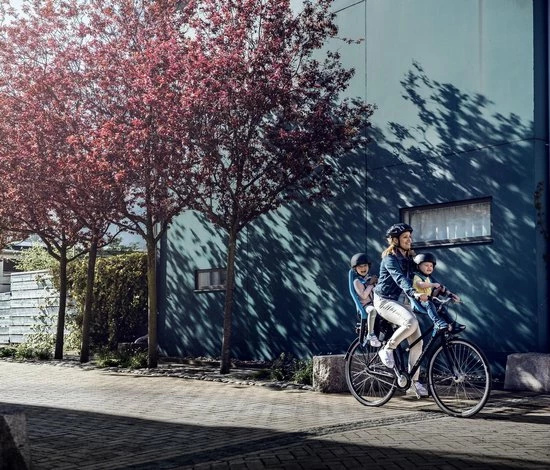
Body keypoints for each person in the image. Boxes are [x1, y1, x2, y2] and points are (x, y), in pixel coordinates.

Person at [373, 223, 429, 398]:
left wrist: (441, 289)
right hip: (384, 300)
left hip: (400, 302)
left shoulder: (409, 259)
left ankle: (413, 383)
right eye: (405, 237)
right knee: (410, 322)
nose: (409, 240)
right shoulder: (389, 259)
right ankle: (387, 349)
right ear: (395, 240)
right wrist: (413, 292)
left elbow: (422, 277)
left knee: (418, 342)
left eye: (410, 237)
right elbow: (399, 279)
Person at [412, 252, 465, 333]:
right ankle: (439, 323)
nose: (429, 267)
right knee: (429, 304)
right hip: (419, 301)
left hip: (428, 299)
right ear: (418, 266)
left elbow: (433, 292)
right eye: (426, 265)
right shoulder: (417, 276)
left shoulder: (428, 278)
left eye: (431, 266)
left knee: (441, 307)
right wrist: (432, 284)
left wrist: (440, 290)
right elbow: (420, 285)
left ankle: (452, 324)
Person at [348, 253, 381, 347]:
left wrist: (377, 282)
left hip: (376, 303)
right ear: (355, 268)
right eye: (360, 266)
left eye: (365, 265)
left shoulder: (369, 278)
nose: (363, 268)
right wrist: (371, 284)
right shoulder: (357, 281)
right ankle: (371, 334)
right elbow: (364, 295)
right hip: (365, 307)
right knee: (372, 310)